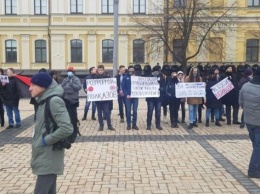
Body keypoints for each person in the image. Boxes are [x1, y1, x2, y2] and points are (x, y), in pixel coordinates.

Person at [29, 72, 73, 194]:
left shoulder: (54, 101)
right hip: (44, 154)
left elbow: (67, 128)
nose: (30, 88)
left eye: (33, 85)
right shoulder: (43, 101)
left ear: (43, 86)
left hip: (49, 154)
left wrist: (46, 140)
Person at [239, 67, 260, 178]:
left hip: (249, 121)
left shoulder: (245, 86)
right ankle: (253, 170)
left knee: (256, 145)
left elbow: (241, 103)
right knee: (258, 146)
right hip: (258, 122)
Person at [95, 65, 115, 131]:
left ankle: (109, 125)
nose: (100, 71)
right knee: (99, 113)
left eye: (101, 70)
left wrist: (114, 88)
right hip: (98, 99)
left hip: (105, 99)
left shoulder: (107, 77)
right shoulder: (95, 78)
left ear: (103, 70)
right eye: (99, 70)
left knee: (107, 112)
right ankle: (101, 125)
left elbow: (111, 86)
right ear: (97, 70)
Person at [143, 65, 163, 130]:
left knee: (158, 111)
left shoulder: (160, 76)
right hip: (150, 98)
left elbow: (163, 85)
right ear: (155, 71)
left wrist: (161, 88)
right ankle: (148, 125)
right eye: (158, 71)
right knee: (150, 111)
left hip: (158, 98)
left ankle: (158, 124)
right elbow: (145, 86)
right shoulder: (149, 77)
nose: (159, 72)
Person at [122, 66, 139, 130]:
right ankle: (128, 124)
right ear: (128, 70)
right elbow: (123, 87)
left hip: (135, 97)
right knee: (128, 111)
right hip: (128, 97)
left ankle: (134, 124)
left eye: (132, 70)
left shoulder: (136, 77)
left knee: (135, 111)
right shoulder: (125, 77)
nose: (131, 71)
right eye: (130, 70)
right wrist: (126, 95)